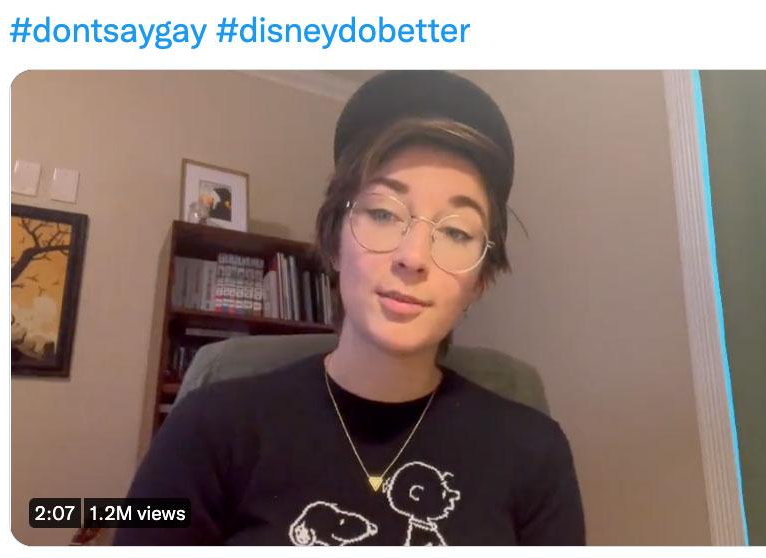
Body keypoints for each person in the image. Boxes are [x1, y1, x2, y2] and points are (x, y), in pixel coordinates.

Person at [114, 71, 585, 545]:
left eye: (456, 232)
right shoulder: (209, 428)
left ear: (479, 280)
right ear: (334, 241)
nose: (413, 257)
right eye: (383, 213)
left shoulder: (535, 454)